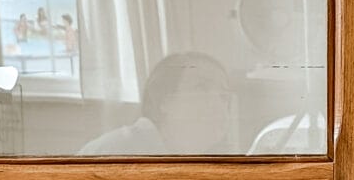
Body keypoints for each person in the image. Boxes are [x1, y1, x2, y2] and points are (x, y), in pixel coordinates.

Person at [78, 51, 236, 156]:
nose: (217, 103)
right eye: (201, 87)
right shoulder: (119, 153)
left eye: (224, 96)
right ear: (164, 100)